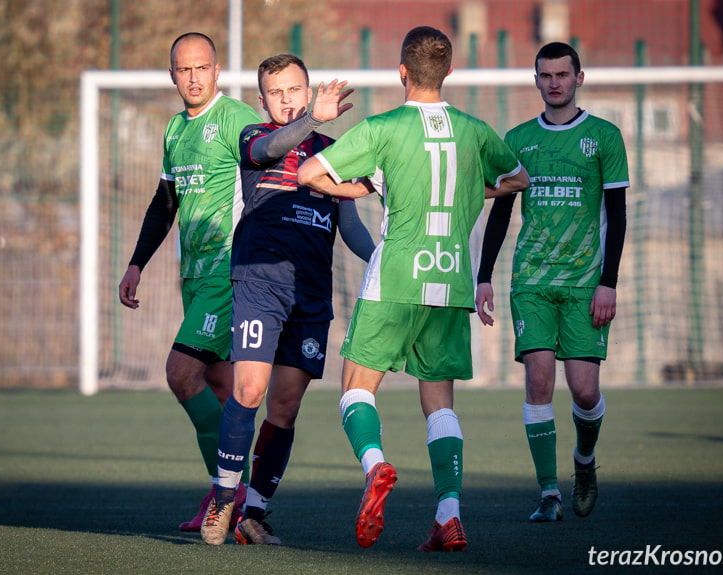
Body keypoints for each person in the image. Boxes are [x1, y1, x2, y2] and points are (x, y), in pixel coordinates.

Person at [297, 26, 529, 552]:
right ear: (447, 73)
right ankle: (448, 515)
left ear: (402, 71)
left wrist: (362, 185)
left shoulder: (383, 128)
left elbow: (309, 172)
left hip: (395, 279)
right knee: (440, 404)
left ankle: (376, 467)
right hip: (451, 281)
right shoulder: (476, 130)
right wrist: (475, 188)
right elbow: (519, 180)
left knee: (356, 387)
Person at [197, 54, 375, 546]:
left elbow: (352, 226)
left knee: (286, 406)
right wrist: (311, 118)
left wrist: (382, 258)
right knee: (249, 390)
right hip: (259, 280)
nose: (286, 99)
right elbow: (276, 144)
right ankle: (223, 497)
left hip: (311, 293)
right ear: (262, 100)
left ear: (309, 89)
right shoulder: (255, 139)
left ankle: (254, 512)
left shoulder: (333, 152)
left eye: (294, 90)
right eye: (275, 92)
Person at [474, 41, 629, 523]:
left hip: (586, 283)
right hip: (532, 282)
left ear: (579, 78)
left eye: (563, 74)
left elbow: (617, 216)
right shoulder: (518, 139)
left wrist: (609, 283)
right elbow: (500, 212)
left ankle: (584, 462)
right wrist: (484, 277)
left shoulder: (604, 136)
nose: (555, 82)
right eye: (546, 75)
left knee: (584, 392)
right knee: (538, 381)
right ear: (536, 80)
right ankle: (548, 494)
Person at [118, 32, 262, 532]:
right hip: (194, 276)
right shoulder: (175, 130)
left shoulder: (238, 118)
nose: (194, 77)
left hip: (228, 269)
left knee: (180, 373)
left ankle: (232, 492)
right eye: (184, 69)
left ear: (217, 71)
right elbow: (165, 204)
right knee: (220, 389)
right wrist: (137, 263)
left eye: (202, 67)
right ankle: (228, 496)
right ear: (173, 75)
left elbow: (273, 168)